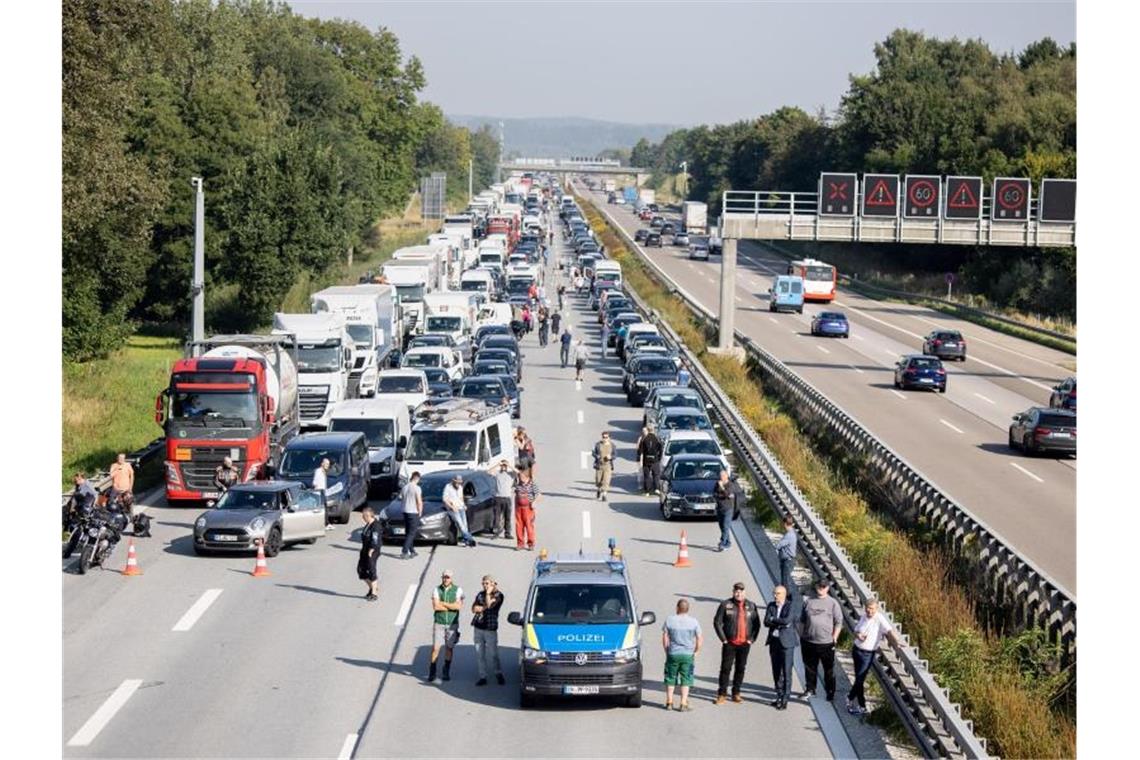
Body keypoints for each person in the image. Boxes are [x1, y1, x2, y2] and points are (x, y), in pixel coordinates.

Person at [847, 597, 901, 716]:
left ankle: (850, 697)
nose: (869, 612)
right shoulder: (863, 616)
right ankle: (862, 706)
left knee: (860, 678)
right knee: (858, 679)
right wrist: (859, 636)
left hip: (868, 653)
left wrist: (897, 641)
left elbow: (889, 631)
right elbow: (856, 630)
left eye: (871, 609)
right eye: (867, 609)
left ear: (876, 609)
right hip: (857, 650)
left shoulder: (879, 619)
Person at [713, 581, 762, 704]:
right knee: (725, 668)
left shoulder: (751, 605)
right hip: (730, 643)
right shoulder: (726, 604)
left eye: (740, 592)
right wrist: (723, 639)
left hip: (745, 643)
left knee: (740, 668)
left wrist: (751, 639)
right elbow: (717, 622)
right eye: (736, 591)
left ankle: (736, 692)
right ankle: (722, 693)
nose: (738, 594)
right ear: (733, 592)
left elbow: (757, 625)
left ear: (744, 592)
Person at [800, 578, 844, 701]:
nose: (821, 588)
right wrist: (801, 636)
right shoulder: (809, 601)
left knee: (828, 669)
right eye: (819, 586)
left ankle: (830, 692)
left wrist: (835, 637)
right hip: (809, 641)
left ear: (828, 588)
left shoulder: (833, 603)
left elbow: (839, 622)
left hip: (826, 643)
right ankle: (810, 689)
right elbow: (802, 620)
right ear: (816, 587)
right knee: (809, 667)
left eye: (824, 586)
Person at [662, 599, 703, 711]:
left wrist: (667, 650)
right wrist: (696, 651)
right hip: (688, 654)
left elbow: (665, 637)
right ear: (687, 609)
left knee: (670, 677)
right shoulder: (694, 622)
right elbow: (699, 638)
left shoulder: (669, 620)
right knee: (686, 678)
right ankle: (683, 703)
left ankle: (669, 702)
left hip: (673, 653)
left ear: (677, 608)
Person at [764, 585, 798, 710]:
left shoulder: (790, 606)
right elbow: (766, 622)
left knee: (786, 671)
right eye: (774, 593)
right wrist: (777, 620)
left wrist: (774, 620)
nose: (775, 595)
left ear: (783, 594)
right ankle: (778, 695)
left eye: (777, 593)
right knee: (776, 670)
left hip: (787, 643)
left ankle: (785, 698)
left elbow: (788, 620)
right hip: (774, 642)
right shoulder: (771, 605)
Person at [429, 571, 464, 683]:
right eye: (444, 577)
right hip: (439, 622)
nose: (445, 579)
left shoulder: (458, 590)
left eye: (448, 577)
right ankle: (432, 670)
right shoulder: (437, 589)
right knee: (436, 648)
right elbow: (436, 606)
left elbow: (458, 606)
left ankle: (446, 669)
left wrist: (443, 603)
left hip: (452, 623)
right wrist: (450, 606)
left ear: (451, 578)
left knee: (449, 647)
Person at [472, 575, 506, 686]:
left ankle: (498, 673)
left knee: (493, 654)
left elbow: (491, 606)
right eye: (483, 583)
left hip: (490, 629)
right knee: (479, 654)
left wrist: (487, 595)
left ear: (492, 583)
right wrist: (483, 606)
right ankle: (483, 676)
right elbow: (474, 608)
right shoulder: (480, 594)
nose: (485, 585)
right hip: (478, 627)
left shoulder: (499, 595)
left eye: (487, 583)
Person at [442, 474, 476, 547]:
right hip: (453, 509)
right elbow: (445, 499)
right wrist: (451, 506)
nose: (459, 484)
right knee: (460, 524)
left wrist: (463, 505)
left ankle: (466, 541)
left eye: (460, 482)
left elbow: (461, 498)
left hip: (460, 507)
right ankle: (471, 539)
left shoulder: (460, 487)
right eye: (457, 482)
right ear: (453, 481)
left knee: (465, 525)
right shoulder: (448, 487)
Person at [712, 470, 741, 552]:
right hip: (719, 508)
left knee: (725, 526)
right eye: (720, 476)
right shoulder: (717, 484)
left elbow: (728, 494)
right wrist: (721, 495)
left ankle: (722, 543)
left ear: (726, 476)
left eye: (722, 476)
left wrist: (722, 488)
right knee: (722, 527)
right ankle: (728, 543)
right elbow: (714, 494)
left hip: (728, 509)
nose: (721, 478)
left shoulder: (730, 485)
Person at [357, 507, 381, 601]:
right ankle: (372, 587)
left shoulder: (376, 526)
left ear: (368, 515)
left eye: (364, 516)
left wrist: (371, 550)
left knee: (371, 570)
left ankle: (374, 593)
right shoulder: (367, 525)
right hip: (364, 550)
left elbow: (375, 539)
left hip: (372, 551)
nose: (362, 518)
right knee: (361, 571)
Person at [514, 468, 540, 551]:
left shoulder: (532, 484)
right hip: (519, 509)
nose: (521, 479)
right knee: (519, 526)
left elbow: (538, 494)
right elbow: (516, 494)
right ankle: (520, 544)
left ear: (527, 477)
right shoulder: (518, 484)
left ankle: (531, 544)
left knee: (529, 526)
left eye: (522, 477)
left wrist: (534, 502)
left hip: (528, 509)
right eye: (520, 477)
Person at [399, 471, 423, 559]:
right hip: (413, 512)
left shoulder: (404, 487)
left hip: (405, 511)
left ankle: (412, 550)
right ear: (417, 478)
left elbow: (401, 498)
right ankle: (404, 551)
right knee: (412, 533)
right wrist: (420, 511)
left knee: (408, 532)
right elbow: (419, 501)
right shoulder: (417, 488)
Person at [636, 426, 663, 495]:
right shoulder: (656, 438)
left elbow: (640, 451)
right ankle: (656, 488)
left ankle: (647, 491)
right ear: (653, 430)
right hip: (655, 460)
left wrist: (639, 456)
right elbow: (660, 449)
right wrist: (659, 457)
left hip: (646, 460)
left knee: (647, 476)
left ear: (647, 430)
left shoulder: (644, 439)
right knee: (656, 475)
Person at [493, 460, 515, 540]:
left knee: (507, 517)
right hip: (498, 497)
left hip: (507, 498)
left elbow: (519, 473)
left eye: (504, 466)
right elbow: (488, 472)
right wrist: (497, 464)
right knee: (497, 516)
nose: (503, 467)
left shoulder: (511, 474)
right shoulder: (497, 474)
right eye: (502, 466)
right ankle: (496, 532)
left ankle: (507, 533)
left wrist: (509, 465)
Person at [776, 516, 798, 594]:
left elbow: (779, 545)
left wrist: (777, 549)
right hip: (788, 560)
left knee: (785, 581)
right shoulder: (792, 533)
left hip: (787, 560)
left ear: (785, 524)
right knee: (785, 580)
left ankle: (787, 597)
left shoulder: (789, 535)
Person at [592, 431, 616, 502]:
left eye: (606, 437)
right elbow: (593, 452)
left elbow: (615, 455)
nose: (605, 438)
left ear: (609, 438)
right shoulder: (598, 445)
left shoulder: (612, 445)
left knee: (606, 481)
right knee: (598, 481)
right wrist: (597, 456)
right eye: (603, 437)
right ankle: (599, 490)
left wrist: (611, 457)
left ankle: (604, 495)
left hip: (608, 466)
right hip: (599, 465)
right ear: (602, 437)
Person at [313, 457, 334, 531]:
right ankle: (325, 524)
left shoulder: (324, 472)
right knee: (322, 508)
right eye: (326, 464)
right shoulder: (318, 471)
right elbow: (315, 482)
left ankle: (326, 523)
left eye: (328, 464)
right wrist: (317, 492)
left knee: (325, 508)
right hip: (319, 491)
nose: (327, 466)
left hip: (323, 491)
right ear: (322, 464)